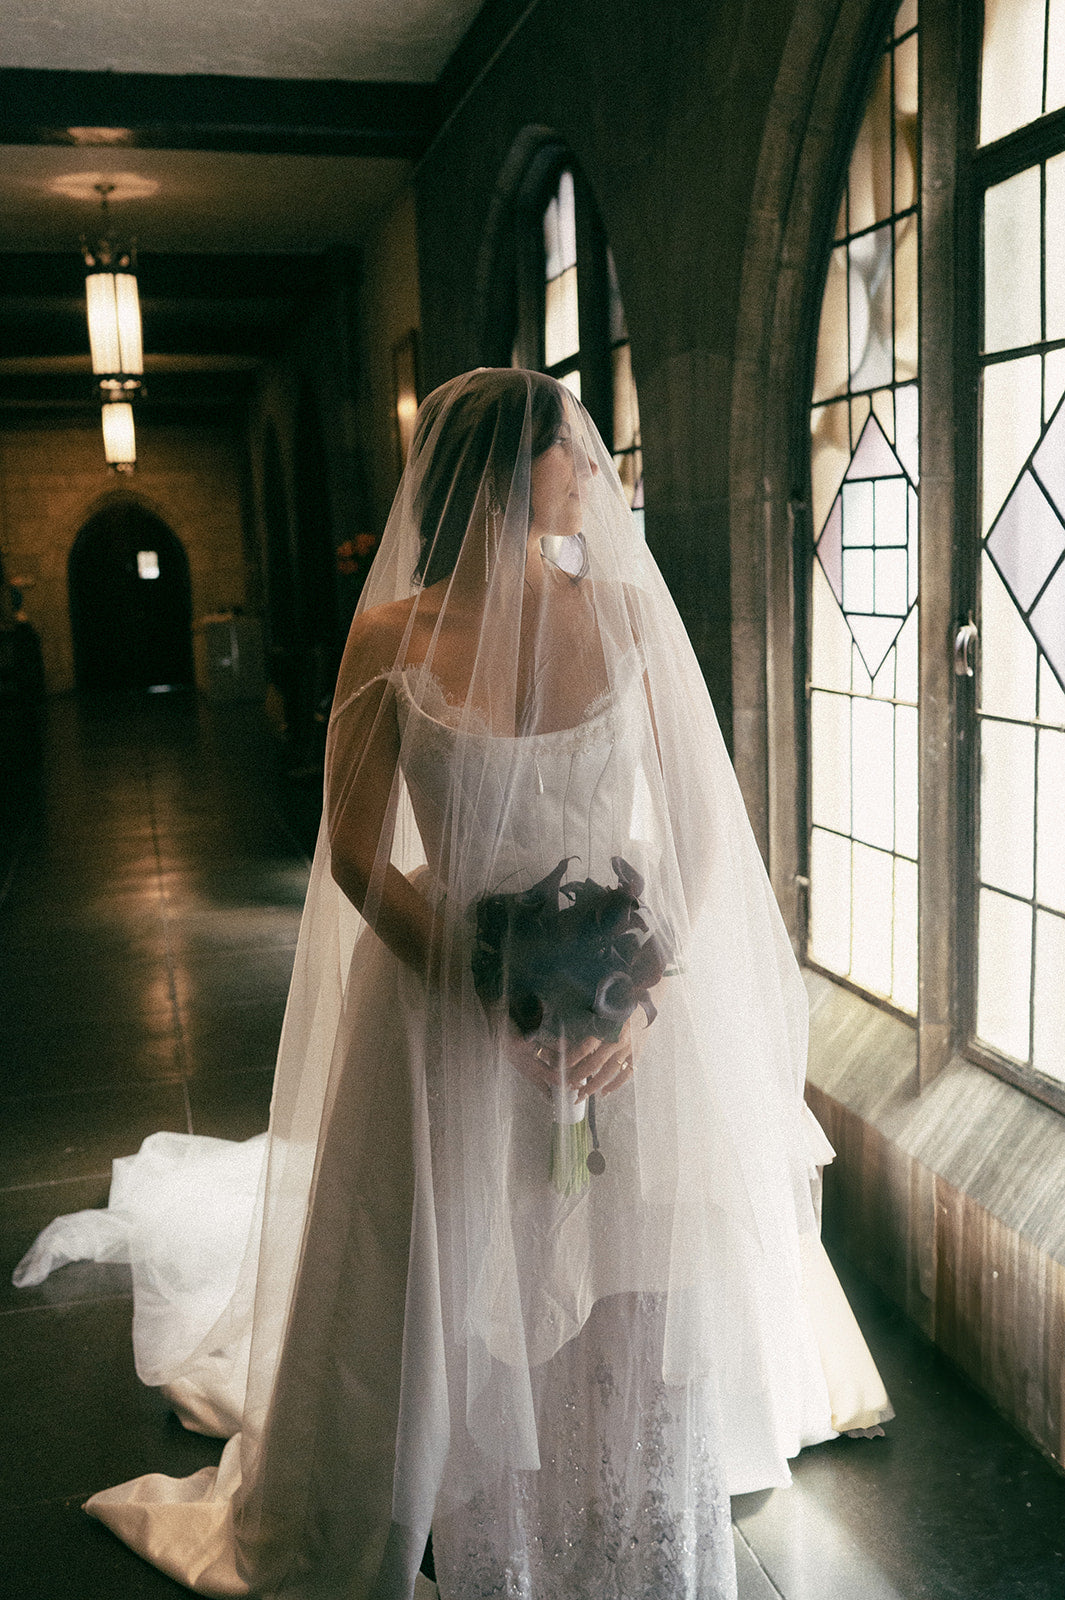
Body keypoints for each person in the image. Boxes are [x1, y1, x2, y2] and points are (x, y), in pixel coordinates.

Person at [15, 368, 891, 1599]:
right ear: (498, 474)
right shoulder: (390, 639)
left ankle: (607, 1493)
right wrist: (487, 983)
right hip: (441, 1000)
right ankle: (464, 1497)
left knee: (626, 1277)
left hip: (615, 1006)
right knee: (450, 1276)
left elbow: (701, 835)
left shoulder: (629, 619)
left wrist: (633, 998)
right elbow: (362, 849)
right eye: (566, 456)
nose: (590, 474)